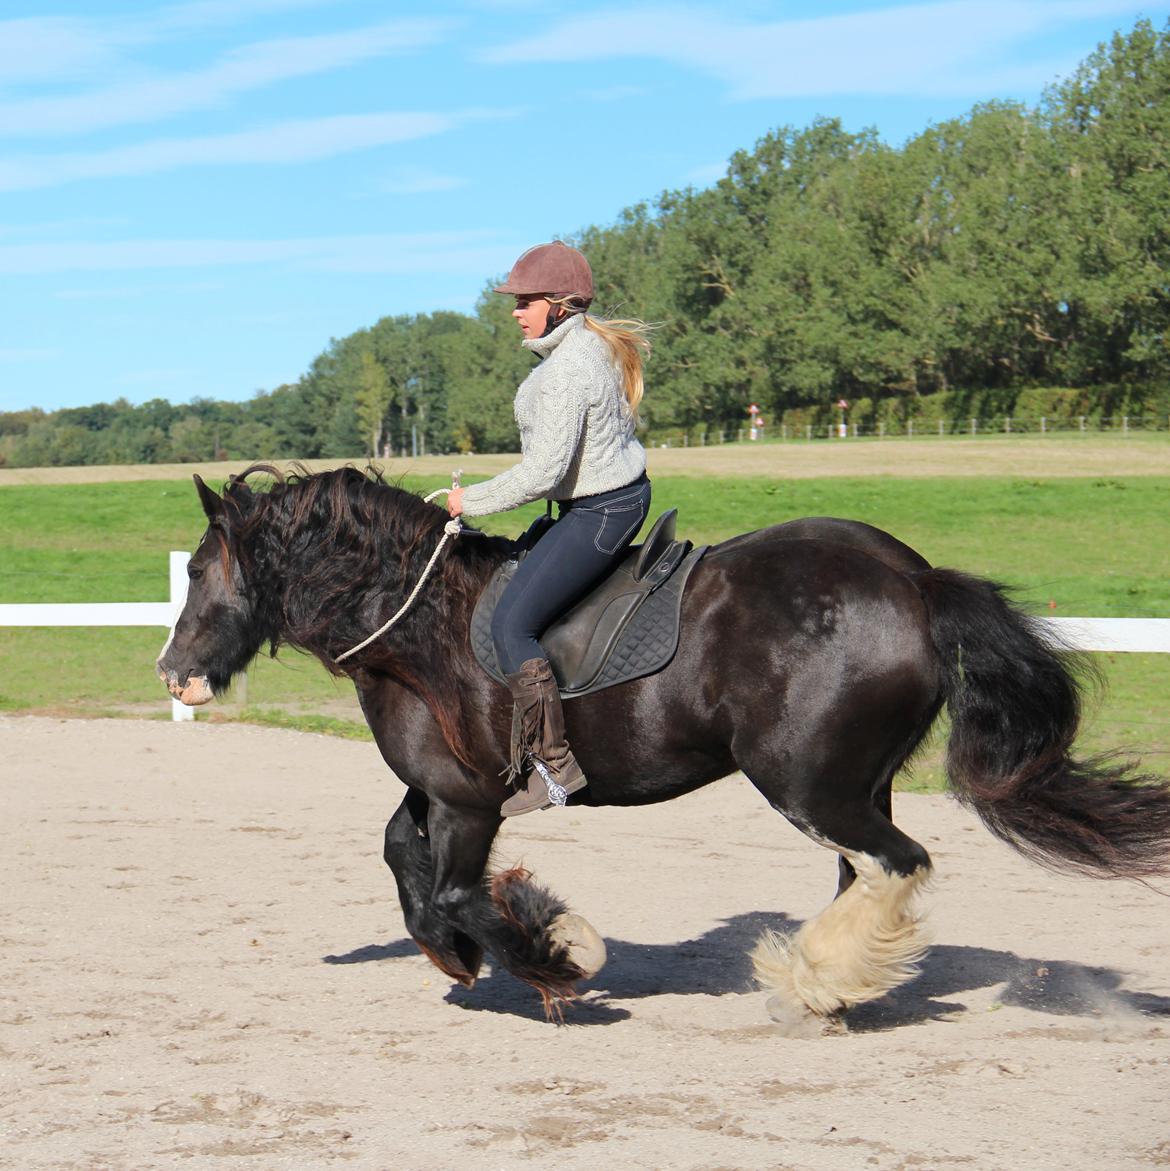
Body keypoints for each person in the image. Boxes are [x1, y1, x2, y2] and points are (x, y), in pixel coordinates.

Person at [446, 241, 652, 816]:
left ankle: (556, 766)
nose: (515, 310)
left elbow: (544, 472)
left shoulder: (570, 368)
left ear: (560, 304)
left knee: (512, 624)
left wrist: (469, 502)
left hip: (599, 511)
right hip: (599, 503)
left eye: (524, 300)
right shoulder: (582, 348)